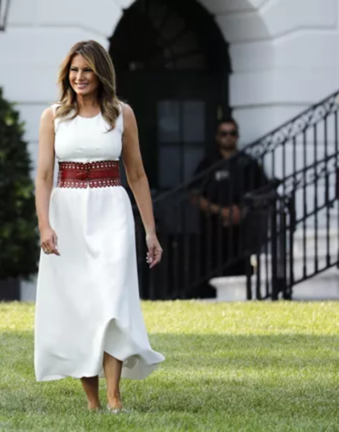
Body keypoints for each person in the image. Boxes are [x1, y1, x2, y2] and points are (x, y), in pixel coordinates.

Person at [33, 40, 166, 413]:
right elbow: (43, 176)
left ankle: (113, 396)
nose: (79, 77)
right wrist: (45, 226)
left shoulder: (122, 114)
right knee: (81, 307)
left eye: (87, 70)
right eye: (74, 70)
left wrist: (150, 231)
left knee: (111, 302)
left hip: (112, 212)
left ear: (101, 73)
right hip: (67, 215)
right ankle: (92, 401)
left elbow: (136, 175)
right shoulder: (53, 117)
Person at [191, 119, 269, 296]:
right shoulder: (208, 163)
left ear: (237, 136)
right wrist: (221, 211)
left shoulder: (247, 163)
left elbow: (262, 192)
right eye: (223, 133)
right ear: (217, 137)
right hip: (213, 230)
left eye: (232, 133)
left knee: (242, 267)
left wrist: (242, 211)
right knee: (213, 268)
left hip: (243, 230)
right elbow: (194, 196)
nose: (228, 137)